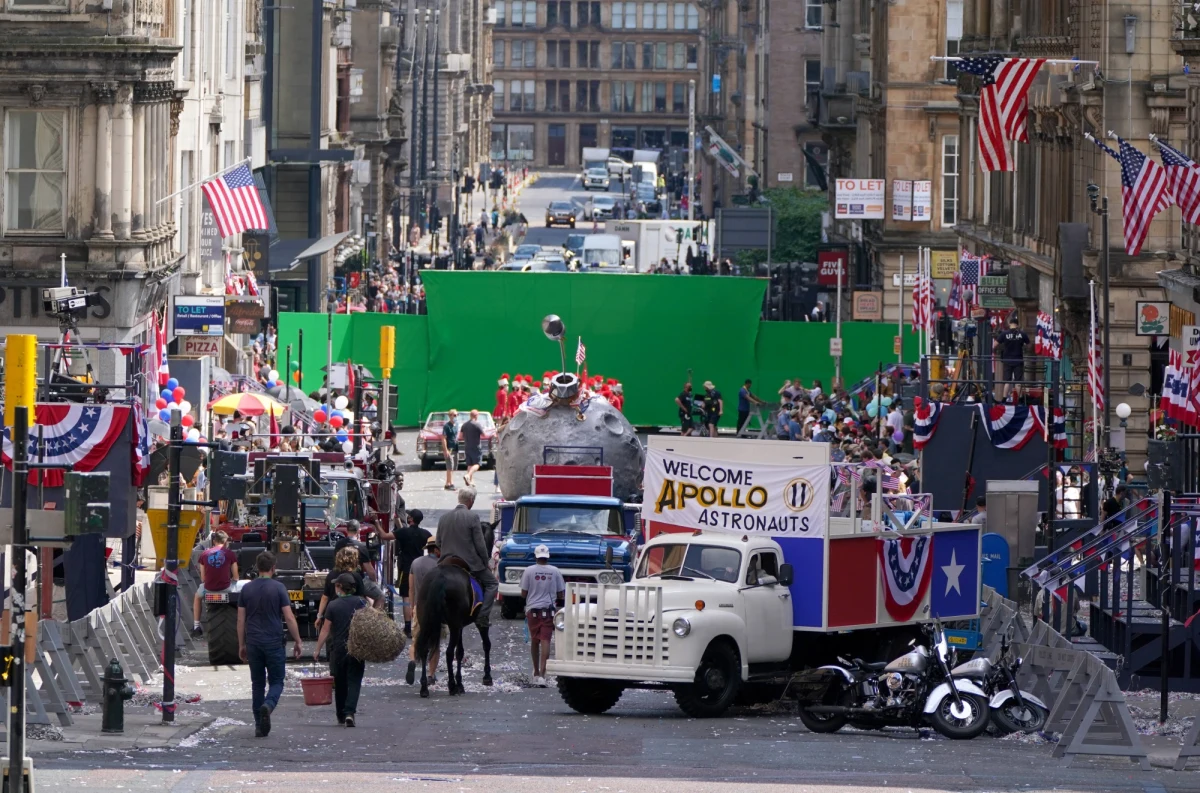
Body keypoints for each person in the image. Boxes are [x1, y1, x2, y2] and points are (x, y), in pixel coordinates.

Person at [237, 551, 303, 737]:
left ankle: (259, 725)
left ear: (258, 568)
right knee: (276, 681)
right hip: (274, 641)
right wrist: (297, 640)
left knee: (257, 684)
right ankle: (269, 704)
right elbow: (289, 618)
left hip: (254, 642)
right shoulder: (279, 588)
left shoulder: (246, 589)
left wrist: (242, 644)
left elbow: (240, 621)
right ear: (273, 568)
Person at [436, 487, 498, 629]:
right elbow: (480, 544)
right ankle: (482, 616)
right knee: (492, 583)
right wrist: (485, 561)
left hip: (446, 561)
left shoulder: (444, 517)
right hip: (469, 562)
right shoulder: (472, 517)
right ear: (471, 501)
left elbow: (438, 542)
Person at [313, 572, 368, 727]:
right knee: (355, 681)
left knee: (340, 682)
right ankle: (350, 712)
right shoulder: (360, 603)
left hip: (338, 650)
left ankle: (340, 714)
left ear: (339, 587)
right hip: (357, 649)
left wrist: (317, 649)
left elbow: (325, 630)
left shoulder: (333, 605)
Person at [521, 544, 565, 687]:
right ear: (548, 556)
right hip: (549, 611)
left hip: (532, 610)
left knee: (535, 640)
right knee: (545, 640)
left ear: (535, 556)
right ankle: (543, 674)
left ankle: (535, 673)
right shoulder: (555, 571)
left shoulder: (529, 571)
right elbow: (561, 594)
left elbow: (523, 593)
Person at [405, 536, 443, 685]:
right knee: (435, 643)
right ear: (436, 549)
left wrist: (411, 607)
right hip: (435, 609)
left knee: (416, 640)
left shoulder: (416, 563)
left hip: (419, 607)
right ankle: (431, 675)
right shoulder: (440, 565)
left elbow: (411, 588)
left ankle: (413, 660)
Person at [192, 530, 238, 637]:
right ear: (225, 541)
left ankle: (196, 626)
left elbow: (203, 578)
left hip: (208, 589)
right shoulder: (230, 554)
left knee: (197, 597)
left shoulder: (204, 554)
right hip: (226, 589)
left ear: (214, 541)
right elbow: (236, 577)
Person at [395, 509, 432, 637]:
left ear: (410, 519)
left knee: (406, 596)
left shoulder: (403, 532)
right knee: (421, 596)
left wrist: (377, 523)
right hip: (421, 567)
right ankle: (422, 625)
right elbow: (436, 544)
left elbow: (384, 536)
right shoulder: (425, 534)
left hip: (406, 568)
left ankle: (407, 628)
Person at [994, 317, 1029, 400]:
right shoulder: (1022, 334)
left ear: (1010, 324)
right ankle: (1020, 400)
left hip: (1007, 360)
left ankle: (1004, 399)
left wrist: (1002, 348)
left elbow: (994, 344)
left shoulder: (1004, 334)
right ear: (1017, 325)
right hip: (1018, 360)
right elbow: (1028, 345)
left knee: (1007, 381)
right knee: (1018, 381)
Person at [460, 409, 486, 488]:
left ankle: (470, 481)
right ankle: (468, 475)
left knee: (469, 464)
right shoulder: (477, 424)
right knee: (477, 464)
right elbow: (484, 435)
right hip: (476, 447)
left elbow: (460, 436)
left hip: (467, 446)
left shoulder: (464, 425)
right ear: (476, 416)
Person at [441, 409, 459, 491]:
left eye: (457, 415)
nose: (456, 417)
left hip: (455, 447)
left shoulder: (456, 425)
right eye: (454, 415)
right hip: (449, 448)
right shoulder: (447, 426)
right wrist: (445, 450)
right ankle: (449, 483)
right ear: (450, 416)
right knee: (450, 466)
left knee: (454, 466)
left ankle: (449, 482)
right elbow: (444, 438)